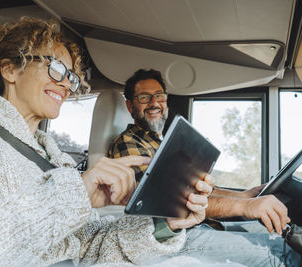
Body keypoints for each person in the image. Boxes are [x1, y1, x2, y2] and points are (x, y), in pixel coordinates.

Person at [0, 18, 215, 266]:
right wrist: (71, 195)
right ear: (10, 69)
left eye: (71, 77)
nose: (66, 83)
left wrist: (165, 225)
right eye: (56, 68)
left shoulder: (57, 161)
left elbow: (89, 246)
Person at [107, 68, 301, 266]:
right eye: (144, 97)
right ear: (130, 106)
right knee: (282, 252)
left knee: (281, 232)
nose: (154, 103)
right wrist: (244, 206)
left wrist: (245, 195)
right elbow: (165, 204)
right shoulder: (128, 143)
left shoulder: (165, 143)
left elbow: (196, 191)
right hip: (175, 237)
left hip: (201, 225)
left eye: (159, 96)